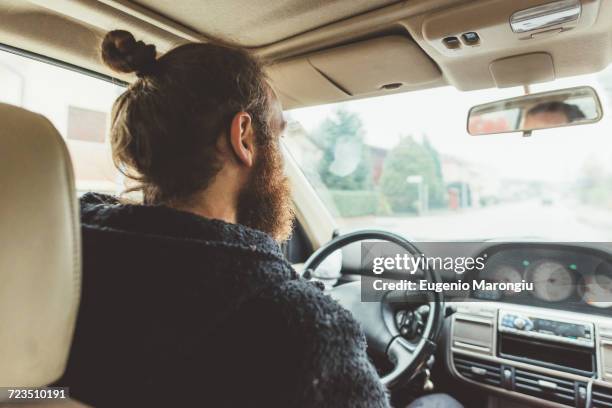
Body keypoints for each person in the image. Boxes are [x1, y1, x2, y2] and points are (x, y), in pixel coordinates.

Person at [57, 30, 462, 408]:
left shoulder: (67, 256)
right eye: (279, 134)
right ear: (244, 137)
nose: (281, 156)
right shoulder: (299, 328)